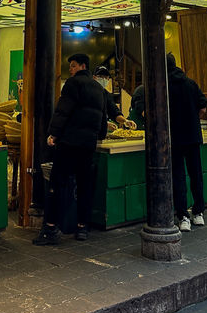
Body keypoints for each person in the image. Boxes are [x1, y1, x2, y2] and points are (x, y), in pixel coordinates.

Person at [33, 53, 107, 245]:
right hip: (88, 145)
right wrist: (97, 135)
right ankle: (83, 227)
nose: (71, 70)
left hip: (68, 143)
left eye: (73, 66)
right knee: (84, 186)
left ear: (82, 66)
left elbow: (63, 111)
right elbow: (103, 121)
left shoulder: (73, 84)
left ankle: (50, 228)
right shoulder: (99, 89)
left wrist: (53, 134)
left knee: (57, 185)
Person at [166, 52, 207, 233]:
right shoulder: (191, 83)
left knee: (178, 177)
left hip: (175, 138)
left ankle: (183, 216)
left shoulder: (164, 86)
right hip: (193, 136)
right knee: (196, 175)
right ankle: (198, 213)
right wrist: (193, 120)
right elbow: (203, 107)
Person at [93, 65, 136, 130]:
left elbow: (114, 112)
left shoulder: (106, 94)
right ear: (94, 77)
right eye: (100, 77)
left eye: (106, 77)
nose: (104, 79)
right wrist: (104, 124)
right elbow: (86, 115)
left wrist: (125, 121)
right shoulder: (88, 93)